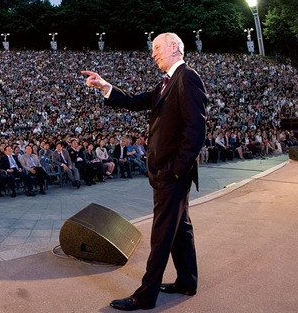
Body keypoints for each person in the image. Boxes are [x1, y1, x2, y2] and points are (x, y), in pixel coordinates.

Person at [83, 32, 207, 311]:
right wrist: (105, 87)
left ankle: (145, 295)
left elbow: (196, 130)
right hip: (170, 171)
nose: (153, 54)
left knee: (161, 233)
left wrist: (176, 170)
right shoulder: (167, 82)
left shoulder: (187, 77)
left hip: (172, 173)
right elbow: (137, 100)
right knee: (180, 229)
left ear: (174, 47)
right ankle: (188, 281)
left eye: (157, 48)